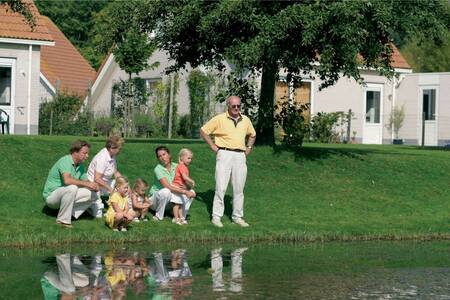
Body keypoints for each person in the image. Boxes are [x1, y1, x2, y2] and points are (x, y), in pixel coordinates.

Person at [200, 95, 256, 228]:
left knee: (239, 188)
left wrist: (249, 147)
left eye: (238, 106)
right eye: (234, 106)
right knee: (221, 187)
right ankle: (216, 217)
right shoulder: (220, 118)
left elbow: (252, 134)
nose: (236, 108)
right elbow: (203, 131)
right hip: (224, 153)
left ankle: (237, 217)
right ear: (228, 106)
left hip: (240, 155)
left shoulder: (246, 120)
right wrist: (212, 145)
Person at [43, 140, 99, 228]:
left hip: (66, 194)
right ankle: (62, 220)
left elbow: (86, 181)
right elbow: (67, 180)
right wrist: (87, 184)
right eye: (84, 153)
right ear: (75, 152)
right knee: (72, 187)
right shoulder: (65, 160)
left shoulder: (80, 166)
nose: (87, 156)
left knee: (94, 195)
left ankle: (70, 215)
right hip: (52, 197)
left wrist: (93, 186)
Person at [149, 146, 196, 221]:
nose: (162, 157)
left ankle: (181, 216)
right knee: (166, 191)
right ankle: (158, 216)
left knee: (192, 192)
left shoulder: (177, 166)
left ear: (169, 155)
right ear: (158, 159)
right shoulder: (158, 168)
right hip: (155, 201)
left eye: (164, 154)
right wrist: (184, 191)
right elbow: (167, 186)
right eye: (159, 156)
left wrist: (187, 187)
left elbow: (186, 182)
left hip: (170, 198)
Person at [87, 135, 124, 218]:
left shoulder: (112, 156)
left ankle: (122, 208)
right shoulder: (102, 157)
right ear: (112, 147)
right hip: (94, 185)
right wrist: (110, 189)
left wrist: (124, 182)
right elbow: (97, 178)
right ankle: (89, 206)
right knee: (98, 215)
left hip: (104, 183)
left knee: (123, 187)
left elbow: (115, 172)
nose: (120, 151)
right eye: (119, 148)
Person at [170, 148, 196, 225]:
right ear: (181, 157)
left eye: (191, 158)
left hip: (180, 187)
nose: (190, 160)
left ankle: (181, 217)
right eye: (188, 158)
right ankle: (176, 218)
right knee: (176, 204)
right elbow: (184, 177)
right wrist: (192, 181)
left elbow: (183, 180)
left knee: (180, 203)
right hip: (176, 187)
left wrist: (187, 186)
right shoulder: (181, 166)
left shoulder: (184, 167)